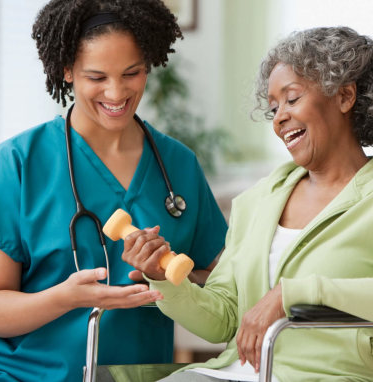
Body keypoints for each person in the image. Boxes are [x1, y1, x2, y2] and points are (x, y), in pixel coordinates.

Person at [0, 1, 228, 381]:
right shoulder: (16, 163)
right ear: (67, 71)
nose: (116, 92)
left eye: (132, 72)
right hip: (10, 372)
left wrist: (168, 276)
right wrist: (68, 297)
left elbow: (223, 283)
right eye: (96, 77)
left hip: (126, 374)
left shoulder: (178, 165)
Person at [110, 26, 373, 382]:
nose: (279, 118)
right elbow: (223, 320)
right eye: (274, 108)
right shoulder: (257, 201)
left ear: (344, 97)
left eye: (292, 99)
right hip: (231, 373)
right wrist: (165, 280)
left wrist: (294, 294)